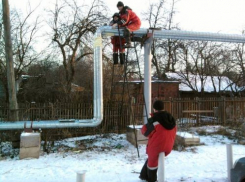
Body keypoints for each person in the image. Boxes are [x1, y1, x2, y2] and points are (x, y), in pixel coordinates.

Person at [139, 100, 177, 182]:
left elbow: (145, 132)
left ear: (154, 109)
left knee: (152, 162)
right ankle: (143, 176)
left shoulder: (154, 120)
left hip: (156, 146)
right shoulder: (171, 119)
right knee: (152, 158)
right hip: (169, 146)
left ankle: (151, 179)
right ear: (163, 108)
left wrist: (143, 128)